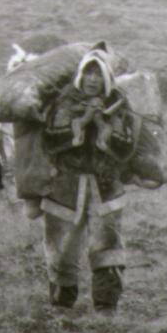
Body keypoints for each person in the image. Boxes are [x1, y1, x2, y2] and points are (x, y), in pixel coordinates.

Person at [39, 48, 135, 311]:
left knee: (108, 247)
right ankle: (62, 306)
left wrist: (104, 126)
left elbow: (127, 147)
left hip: (106, 188)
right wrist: (82, 122)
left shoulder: (118, 104)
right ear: (81, 76)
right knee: (61, 248)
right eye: (89, 73)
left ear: (107, 78)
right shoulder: (64, 102)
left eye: (98, 74)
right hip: (64, 187)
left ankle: (106, 307)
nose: (93, 80)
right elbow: (49, 140)